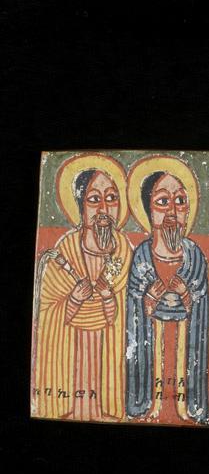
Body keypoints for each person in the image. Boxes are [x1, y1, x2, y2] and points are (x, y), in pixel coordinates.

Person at [32, 155, 131, 421]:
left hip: (108, 346)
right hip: (70, 346)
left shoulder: (124, 251)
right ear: (80, 206)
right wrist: (74, 299)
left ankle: (107, 408)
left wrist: (108, 296)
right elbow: (47, 312)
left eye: (111, 198)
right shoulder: (65, 249)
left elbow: (127, 316)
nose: (103, 209)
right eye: (94, 199)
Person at [125, 157, 209, 423]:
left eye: (180, 201)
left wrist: (186, 293)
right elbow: (133, 308)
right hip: (152, 340)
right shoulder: (141, 255)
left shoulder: (195, 255)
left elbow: (203, 307)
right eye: (163, 202)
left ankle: (188, 408)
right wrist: (150, 297)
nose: (172, 212)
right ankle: (147, 406)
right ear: (149, 210)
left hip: (186, 340)